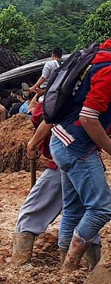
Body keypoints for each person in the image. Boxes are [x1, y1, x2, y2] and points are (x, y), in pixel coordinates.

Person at [14, 93, 102, 266]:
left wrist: (32, 144)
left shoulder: (67, 96)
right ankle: (93, 265)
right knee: (86, 213)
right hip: (85, 161)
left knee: (34, 210)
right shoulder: (85, 96)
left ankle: (21, 260)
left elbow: (47, 120)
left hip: (65, 161)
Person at [49, 39, 111, 271]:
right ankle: (70, 265)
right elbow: (88, 117)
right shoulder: (109, 72)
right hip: (76, 145)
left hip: (62, 140)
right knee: (103, 207)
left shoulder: (97, 59)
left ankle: (65, 271)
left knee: (74, 208)